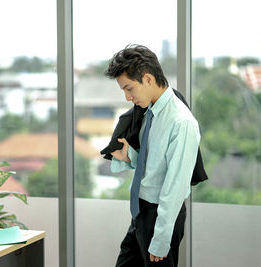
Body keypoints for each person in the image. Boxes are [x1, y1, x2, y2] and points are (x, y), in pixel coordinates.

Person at [105, 44, 201, 267]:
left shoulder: (181, 122)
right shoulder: (151, 110)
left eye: (129, 88)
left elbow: (175, 186)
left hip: (161, 215)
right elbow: (156, 165)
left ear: (148, 79)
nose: (128, 97)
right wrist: (131, 157)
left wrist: (160, 239)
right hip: (141, 212)